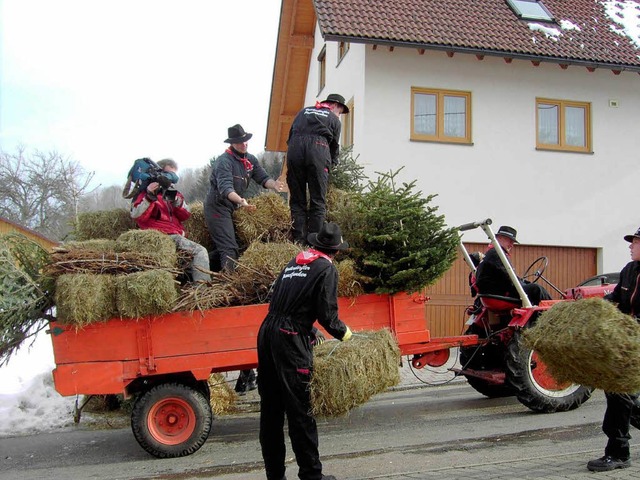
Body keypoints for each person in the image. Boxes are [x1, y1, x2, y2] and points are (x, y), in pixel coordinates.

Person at [257, 222, 353, 480]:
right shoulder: (326, 269)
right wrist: (347, 336)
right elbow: (328, 316)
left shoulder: (295, 262)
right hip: (289, 340)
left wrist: (307, 329)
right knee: (300, 411)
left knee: (271, 412)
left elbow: (288, 302)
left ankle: (275, 476)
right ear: (335, 251)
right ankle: (312, 476)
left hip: (267, 331)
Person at [587, 226, 640, 472]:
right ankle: (618, 450)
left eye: (635, 242)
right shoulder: (629, 270)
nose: (630, 246)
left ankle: (618, 453)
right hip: (625, 343)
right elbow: (617, 297)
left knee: (621, 395)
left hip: (635, 342)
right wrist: (599, 307)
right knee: (620, 395)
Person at [204, 124, 284, 272]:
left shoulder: (250, 160)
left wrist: (274, 184)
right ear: (232, 143)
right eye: (240, 142)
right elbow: (226, 189)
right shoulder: (224, 162)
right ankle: (228, 281)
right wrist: (242, 201)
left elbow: (263, 178)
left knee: (236, 244)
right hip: (218, 207)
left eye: (246, 141)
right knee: (229, 248)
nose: (244, 144)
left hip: (232, 206)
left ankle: (202, 263)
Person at [130, 159, 211, 283]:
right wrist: (149, 196)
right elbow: (137, 215)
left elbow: (186, 214)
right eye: (168, 175)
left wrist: (175, 200)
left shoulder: (171, 192)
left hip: (176, 235)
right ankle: (202, 290)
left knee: (205, 257)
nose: (170, 179)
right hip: (160, 237)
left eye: (172, 176)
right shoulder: (145, 193)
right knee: (200, 252)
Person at [286, 93, 349, 244]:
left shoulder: (303, 111)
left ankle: (298, 241)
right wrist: (331, 166)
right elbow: (334, 148)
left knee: (297, 200)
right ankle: (314, 242)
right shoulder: (334, 120)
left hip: (295, 149)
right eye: (340, 112)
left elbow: (290, 136)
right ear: (335, 105)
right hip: (318, 150)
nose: (339, 115)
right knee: (318, 200)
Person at [474, 225, 551, 305]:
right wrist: (525, 284)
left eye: (513, 242)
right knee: (536, 289)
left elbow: (507, 277)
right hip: (497, 295)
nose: (511, 245)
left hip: (490, 294)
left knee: (530, 286)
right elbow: (510, 279)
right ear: (499, 238)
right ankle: (554, 312)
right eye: (510, 241)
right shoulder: (497, 254)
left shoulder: (492, 253)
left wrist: (525, 282)